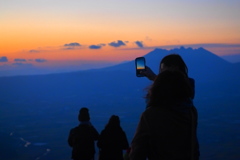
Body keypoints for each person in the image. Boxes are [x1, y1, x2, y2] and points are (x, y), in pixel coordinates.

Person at [130, 70, 200, 160]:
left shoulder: (151, 115)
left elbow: (137, 151)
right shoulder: (191, 111)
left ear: (156, 88)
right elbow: (194, 146)